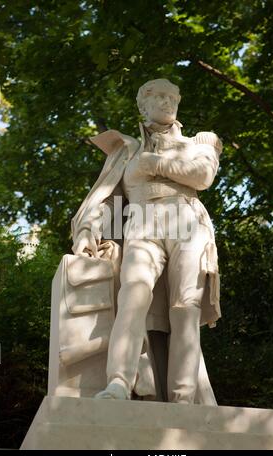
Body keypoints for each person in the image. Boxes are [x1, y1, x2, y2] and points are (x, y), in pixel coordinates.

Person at [71, 78, 223, 403]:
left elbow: (202, 176)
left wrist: (155, 164)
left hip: (187, 221)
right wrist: (87, 231)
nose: (168, 103)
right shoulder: (127, 151)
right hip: (141, 223)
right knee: (133, 296)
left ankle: (183, 399)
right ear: (143, 105)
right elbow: (107, 200)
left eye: (173, 98)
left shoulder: (199, 143)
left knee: (186, 307)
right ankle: (117, 385)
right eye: (160, 97)